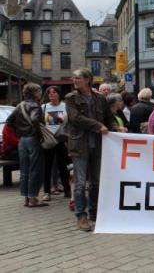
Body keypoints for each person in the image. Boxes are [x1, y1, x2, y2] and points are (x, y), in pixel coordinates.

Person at [66, 68, 117, 231]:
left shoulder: (100, 99)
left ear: (88, 79)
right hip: (79, 145)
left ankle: (94, 212)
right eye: (73, 78)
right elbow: (76, 118)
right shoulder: (71, 98)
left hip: (97, 144)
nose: (74, 80)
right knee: (80, 183)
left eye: (78, 78)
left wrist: (116, 128)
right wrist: (98, 126)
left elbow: (109, 119)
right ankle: (81, 216)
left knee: (96, 182)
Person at [6, 83, 46, 207]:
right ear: (34, 93)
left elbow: (9, 122)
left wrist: (18, 133)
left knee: (25, 169)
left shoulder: (19, 105)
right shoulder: (35, 105)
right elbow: (34, 120)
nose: (40, 94)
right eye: (39, 91)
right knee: (35, 169)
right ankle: (33, 198)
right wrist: (39, 134)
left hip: (22, 141)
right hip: (33, 139)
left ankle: (26, 198)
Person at [41, 86, 71, 201]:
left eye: (54, 92)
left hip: (61, 139)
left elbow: (69, 123)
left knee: (62, 166)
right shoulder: (43, 107)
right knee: (47, 166)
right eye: (49, 93)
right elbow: (40, 123)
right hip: (48, 140)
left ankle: (67, 190)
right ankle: (47, 192)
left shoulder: (65, 106)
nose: (52, 95)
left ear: (59, 94)